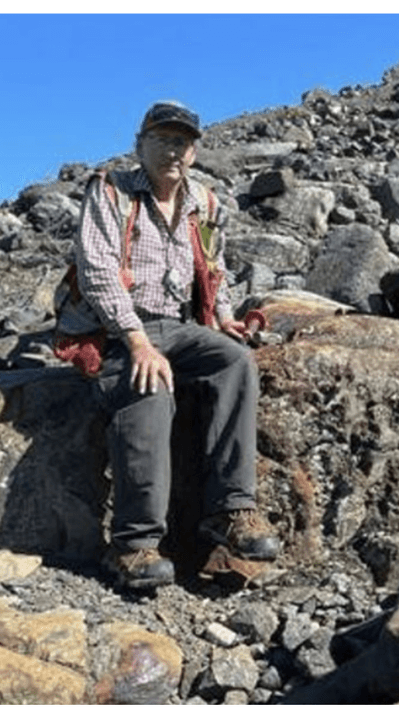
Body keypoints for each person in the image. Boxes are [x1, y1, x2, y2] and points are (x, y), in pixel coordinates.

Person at [75, 100, 279, 589]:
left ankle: (231, 511)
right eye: (162, 139)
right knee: (150, 391)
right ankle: (134, 544)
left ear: (194, 151)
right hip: (117, 330)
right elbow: (98, 273)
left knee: (234, 362)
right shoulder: (111, 193)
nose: (173, 150)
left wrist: (225, 318)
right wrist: (138, 342)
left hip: (180, 325)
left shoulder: (203, 203)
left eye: (182, 142)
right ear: (139, 144)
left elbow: (214, 269)